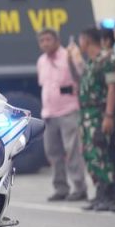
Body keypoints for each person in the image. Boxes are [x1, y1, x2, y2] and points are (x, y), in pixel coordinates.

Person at [71, 28, 115, 211]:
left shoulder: (107, 60)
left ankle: (111, 194)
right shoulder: (91, 63)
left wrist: (108, 115)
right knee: (91, 155)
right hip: (87, 116)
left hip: (99, 114)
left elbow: (113, 87)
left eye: (80, 40)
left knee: (103, 153)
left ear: (86, 40)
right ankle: (100, 192)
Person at [35, 29, 87, 202]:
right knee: (53, 152)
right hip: (49, 113)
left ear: (57, 40)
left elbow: (81, 74)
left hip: (68, 111)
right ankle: (61, 188)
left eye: (48, 39)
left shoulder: (68, 56)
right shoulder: (41, 61)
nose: (45, 43)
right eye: (42, 40)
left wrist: (75, 59)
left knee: (72, 152)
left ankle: (80, 188)